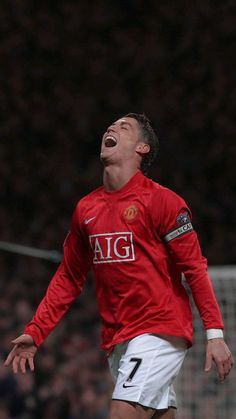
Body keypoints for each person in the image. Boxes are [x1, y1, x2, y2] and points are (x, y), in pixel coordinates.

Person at [5, 113, 233, 419]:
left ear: (142, 148)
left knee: (120, 414)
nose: (111, 128)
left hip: (159, 330)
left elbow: (194, 268)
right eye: (110, 125)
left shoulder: (163, 202)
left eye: (124, 127)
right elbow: (69, 277)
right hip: (119, 337)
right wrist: (36, 331)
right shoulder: (86, 209)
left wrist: (215, 335)